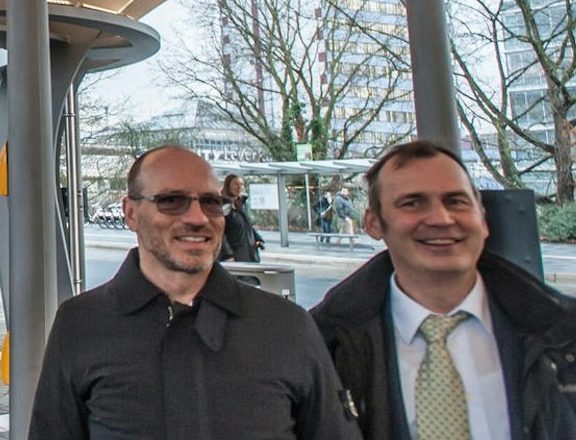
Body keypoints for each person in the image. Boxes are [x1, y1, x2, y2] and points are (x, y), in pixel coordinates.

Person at [311, 139, 576, 440]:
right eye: (412, 203)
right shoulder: (320, 348)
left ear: (481, 216)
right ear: (374, 222)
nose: (441, 218)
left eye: (456, 201)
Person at [29, 145, 355, 440]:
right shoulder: (82, 323)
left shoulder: (287, 326)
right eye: (171, 201)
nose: (198, 218)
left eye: (211, 202)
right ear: (131, 213)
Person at [219, 173, 263, 263]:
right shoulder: (224, 205)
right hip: (234, 256)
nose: (239, 187)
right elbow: (220, 232)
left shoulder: (241, 204)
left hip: (249, 253)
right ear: (228, 186)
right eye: (236, 184)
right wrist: (227, 255)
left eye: (241, 184)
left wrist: (257, 239)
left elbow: (248, 225)